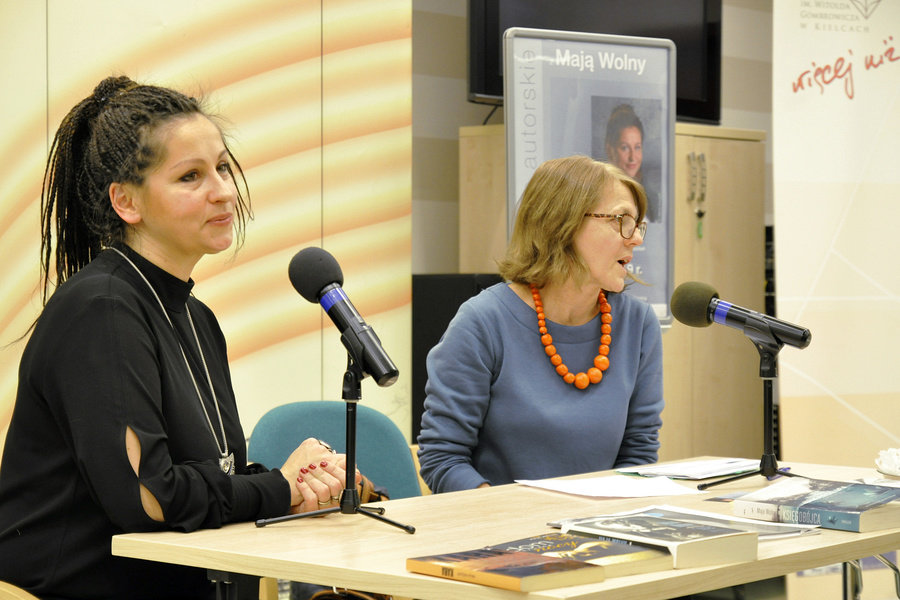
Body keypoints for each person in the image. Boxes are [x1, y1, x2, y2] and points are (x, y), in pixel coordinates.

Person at [0, 76, 356, 599]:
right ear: (126, 202)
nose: (223, 190)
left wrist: (302, 481)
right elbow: (151, 497)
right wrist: (279, 487)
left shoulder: (197, 317)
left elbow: (211, 474)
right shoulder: (101, 309)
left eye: (223, 167)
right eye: (191, 176)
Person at [417, 155, 663, 494]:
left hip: (601, 522)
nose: (635, 238)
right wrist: (514, 515)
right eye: (622, 220)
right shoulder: (482, 322)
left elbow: (638, 454)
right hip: (503, 523)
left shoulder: (638, 324)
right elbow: (443, 459)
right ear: (563, 223)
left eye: (637, 225)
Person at [603, 104, 660, 223]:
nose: (632, 157)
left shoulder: (649, 198)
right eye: (625, 148)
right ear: (610, 150)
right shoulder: (602, 197)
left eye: (637, 147)